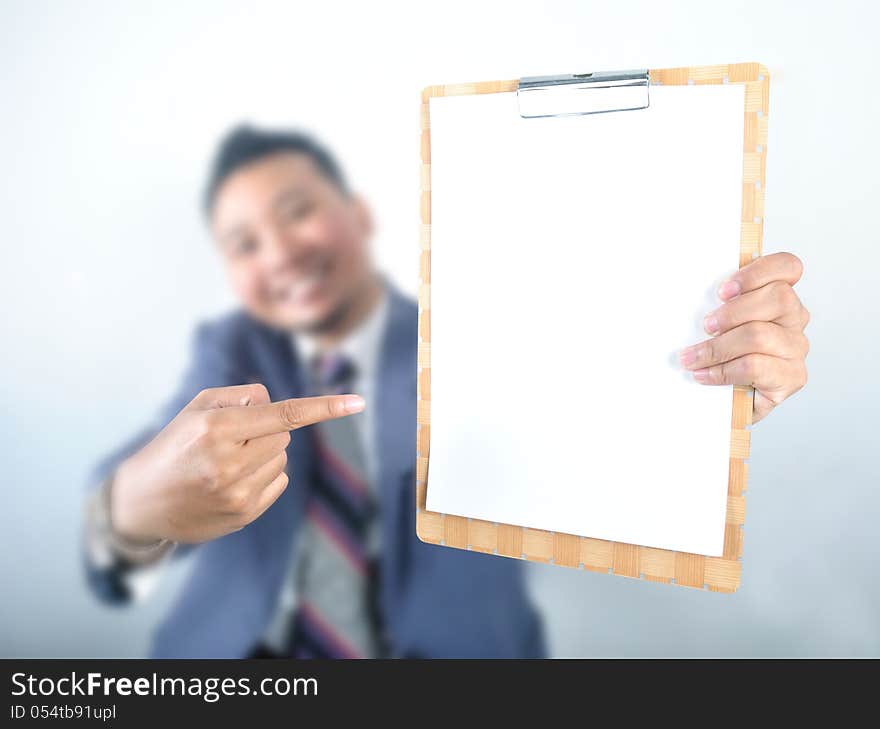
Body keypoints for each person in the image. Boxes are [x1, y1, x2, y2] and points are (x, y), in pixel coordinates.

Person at [83, 125, 810, 659]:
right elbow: (107, 550)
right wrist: (133, 509)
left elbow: (590, 418)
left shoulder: (480, 330)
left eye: (297, 210)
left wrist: (707, 405)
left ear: (359, 215)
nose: (278, 252)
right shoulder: (229, 350)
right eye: (243, 243)